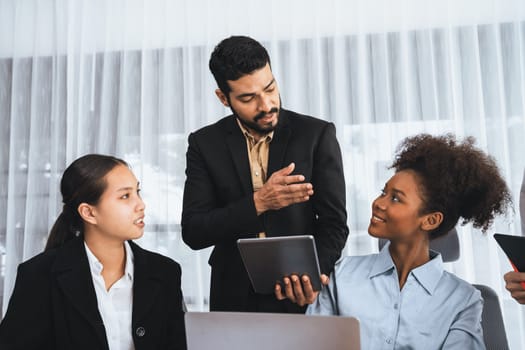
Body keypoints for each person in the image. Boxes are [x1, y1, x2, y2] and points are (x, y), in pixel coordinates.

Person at [277, 134, 512, 349]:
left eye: (396, 199)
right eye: (383, 192)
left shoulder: (462, 300)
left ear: (430, 220)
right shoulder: (343, 274)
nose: (379, 203)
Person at [181, 35, 349, 313]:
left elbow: (334, 224)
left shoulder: (316, 135)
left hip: (299, 294)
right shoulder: (204, 144)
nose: (266, 105)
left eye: (270, 88)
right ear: (224, 98)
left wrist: (313, 275)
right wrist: (260, 202)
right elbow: (194, 231)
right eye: (248, 98)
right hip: (231, 295)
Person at [0, 154, 187, 350]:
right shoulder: (39, 274)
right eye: (125, 196)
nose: (140, 205)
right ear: (89, 212)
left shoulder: (165, 272)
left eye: (137, 192)